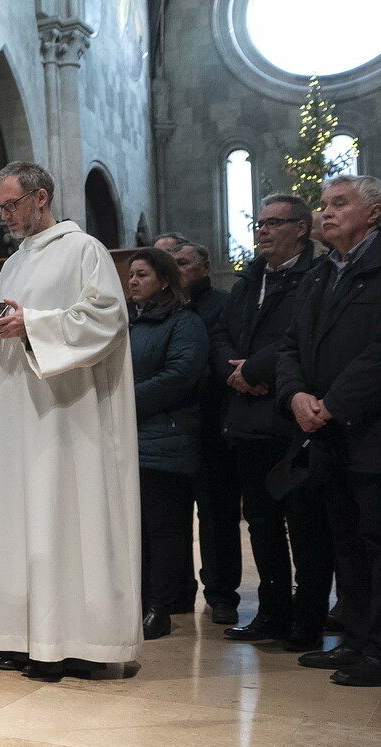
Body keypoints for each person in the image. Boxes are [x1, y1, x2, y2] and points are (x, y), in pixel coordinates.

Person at [0, 161, 141, 680]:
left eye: (11, 204)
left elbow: (107, 318)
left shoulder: (84, 250)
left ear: (40, 197)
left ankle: (78, 640)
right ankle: (19, 635)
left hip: (71, 413)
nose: (4, 216)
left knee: (67, 515)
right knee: (19, 514)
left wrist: (32, 324)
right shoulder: (14, 262)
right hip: (20, 409)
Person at [276, 175, 381, 687]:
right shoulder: (320, 274)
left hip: (378, 429)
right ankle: (356, 638)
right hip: (326, 430)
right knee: (346, 539)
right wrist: (295, 395)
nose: (326, 212)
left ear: (373, 214)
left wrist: (332, 404)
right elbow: (291, 344)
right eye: (323, 204)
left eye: (340, 204)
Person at [212, 196, 330, 650]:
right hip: (247, 420)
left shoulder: (315, 277)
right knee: (260, 523)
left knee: (305, 525)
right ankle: (272, 613)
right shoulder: (249, 279)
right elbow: (219, 332)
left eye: (273, 223)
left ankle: (308, 620)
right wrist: (231, 371)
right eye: (259, 223)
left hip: (291, 418)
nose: (262, 231)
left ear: (301, 228)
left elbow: (300, 336)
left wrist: (255, 371)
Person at [127, 247, 208, 640]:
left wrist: (125, 400)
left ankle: (161, 606)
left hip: (166, 436)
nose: (133, 281)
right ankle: (140, 603)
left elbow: (181, 374)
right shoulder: (130, 323)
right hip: (131, 438)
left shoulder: (184, 321)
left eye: (142, 275)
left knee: (164, 527)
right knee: (136, 530)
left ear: (163, 280)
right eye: (130, 276)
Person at [171, 240, 241, 626]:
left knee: (217, 515)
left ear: (204, 267)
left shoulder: (221, 304)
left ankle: (222, 594)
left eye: (183, 263)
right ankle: (176, 591)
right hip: (173, 423)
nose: (177, 270)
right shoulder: (163, 310)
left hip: (213, 422)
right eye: (172, 264)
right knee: (171, 515)